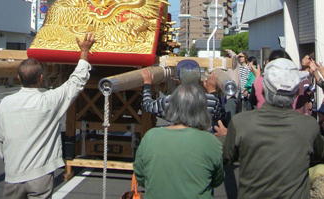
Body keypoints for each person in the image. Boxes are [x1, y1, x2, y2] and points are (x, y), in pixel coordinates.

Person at [0, 32, 95, 199]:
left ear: (18, 78)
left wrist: (11, 161)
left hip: (13, 174)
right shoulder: (48, 100)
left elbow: (1, 138)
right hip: (39, 173)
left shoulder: (6, 102)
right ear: (41, 78)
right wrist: (84, 52)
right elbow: (76, 82)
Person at [216, 58, 324, 199]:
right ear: (297, 91)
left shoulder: (241, 123)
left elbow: (227, 156)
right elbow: (319, 154)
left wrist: (226, 137)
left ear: (263, 89)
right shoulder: (309, 126)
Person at [134, 83, 224, 199]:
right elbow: (217, 179)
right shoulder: (210, 141)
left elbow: (141, 176)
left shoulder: (151, 136)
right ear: (202, 109)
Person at [140, 66, 226, 130]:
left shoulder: (170, 100)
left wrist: (147, 84)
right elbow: (219, 117)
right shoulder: (212, 100)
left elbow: (147, 105)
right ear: (200, 80)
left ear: (179, 80)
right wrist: (212, 91)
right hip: (201, 142)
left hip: (178, 140)